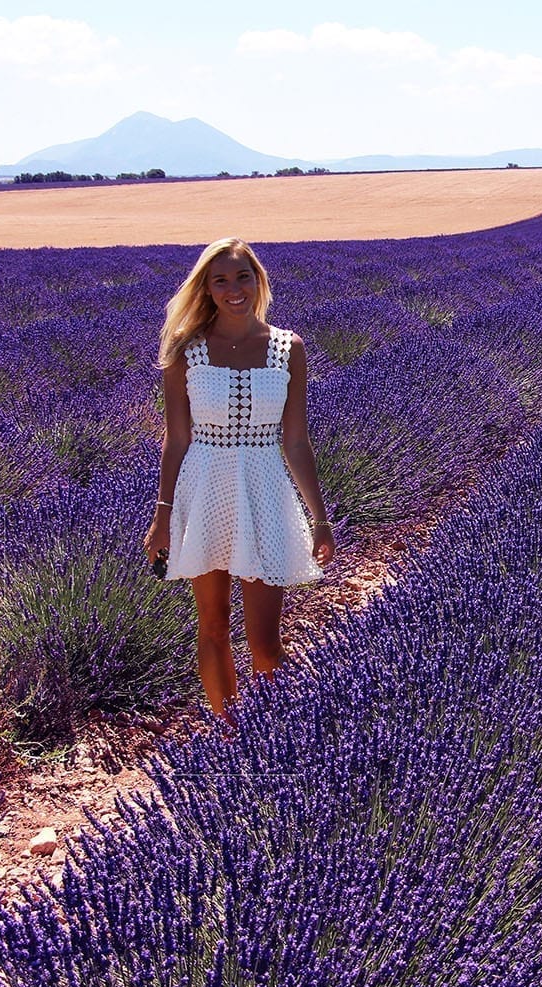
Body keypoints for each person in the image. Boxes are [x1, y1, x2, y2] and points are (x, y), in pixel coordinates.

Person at [142, 237, 336, 719]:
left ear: (259, 281)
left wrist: (320, 518)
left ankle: (269, 734)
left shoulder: (288, 348)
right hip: (204, 490)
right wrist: (162, 516)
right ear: (205, 288)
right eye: (221, 280)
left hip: (266, 491)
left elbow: (295, 441)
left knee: (266, 644)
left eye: (242, 277)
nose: (234, 289)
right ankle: (231, 737)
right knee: (211, 627)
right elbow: (176, 440)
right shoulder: (186, 352)